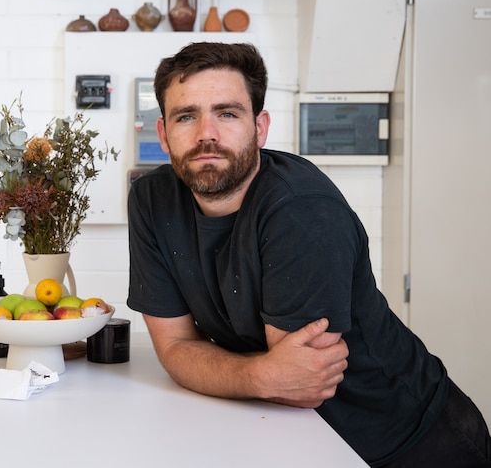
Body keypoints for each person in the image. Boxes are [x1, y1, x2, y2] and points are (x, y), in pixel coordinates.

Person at [126, 41, 491, 467]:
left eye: (227, 113)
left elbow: (301, 385)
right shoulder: (152, 199)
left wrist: (251, 375)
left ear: (260, 128)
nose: (207, 133)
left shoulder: (301, 210)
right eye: (186, 116)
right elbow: (175, 348)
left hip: (412, 440)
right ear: (163, 134)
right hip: (302, 440)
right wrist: (260, 373)